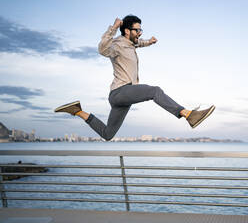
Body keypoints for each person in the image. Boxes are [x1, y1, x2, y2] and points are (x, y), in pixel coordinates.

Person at [54, 15, 215, 141]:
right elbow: (102, 49)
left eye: (140, 30)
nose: (140, 33)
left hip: (124, 97)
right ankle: (188, 115)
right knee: (155, 91)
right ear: (126, 31)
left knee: (108, 134)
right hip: (120, 92)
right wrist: (114, 27)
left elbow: (138, 43)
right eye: (137, 30)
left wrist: (149, 42)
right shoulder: (117, 44)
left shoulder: (131, 43)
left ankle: (77, 111)